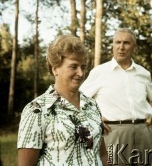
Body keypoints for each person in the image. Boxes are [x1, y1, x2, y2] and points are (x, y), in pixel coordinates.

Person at [17, 35, 108, 166]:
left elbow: (103, 154)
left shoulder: (91, 104)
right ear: (55, 69)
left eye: (83, 67)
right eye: (73, 66)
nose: (81, 73)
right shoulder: (36, 110)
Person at [80, 28, 152, 165]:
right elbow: (79, 99)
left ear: (134, 48)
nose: (121, 47)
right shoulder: (100, 72)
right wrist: (93, 120)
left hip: (143, 133)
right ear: (113, 45)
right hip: (113, 134)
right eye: (117, 42)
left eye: (126, 43)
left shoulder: (143, 73)